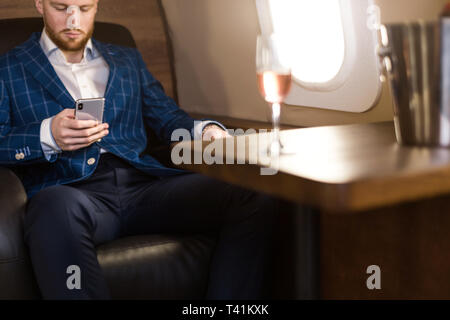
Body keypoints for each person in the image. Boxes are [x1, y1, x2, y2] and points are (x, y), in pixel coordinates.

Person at [0, 0, 276, 299]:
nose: (73, 19)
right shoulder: (8, 67)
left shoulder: (127, 59)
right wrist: (47, 134)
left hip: (143, 188)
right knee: (54, 207)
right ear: (40, 4)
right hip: (72, 193)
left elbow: (168, 118)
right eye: (61, 6)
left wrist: (206, 131)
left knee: (253, 192)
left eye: (84, 7)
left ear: (97, 6)